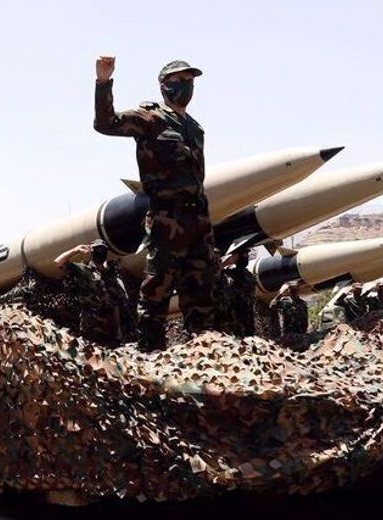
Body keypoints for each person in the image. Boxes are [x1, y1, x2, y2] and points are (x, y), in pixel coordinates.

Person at [94, 54, 214, 351]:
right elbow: (106, 123)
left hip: (198, 222)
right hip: (165, 221)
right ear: (165, 86)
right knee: (156, 297)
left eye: (191, 81)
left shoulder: (195, 128)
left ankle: (205, 358)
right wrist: (103, 81)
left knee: (201, 297)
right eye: (181, 81)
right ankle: (150, 358)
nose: (188, 86)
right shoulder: (150, 118)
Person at [54, 240, 124, 347]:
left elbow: (115, 304)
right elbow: (58, 262)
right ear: (91, 251)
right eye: (97, 249)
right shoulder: (83, 270)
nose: (100, 252)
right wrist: (76, 250)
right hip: (91, 325)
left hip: (109, 327)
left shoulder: (110, 275)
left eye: (103, 250)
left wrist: (118, 329)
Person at [225, 250, 257, 337]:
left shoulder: (233, 273)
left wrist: (227, 262)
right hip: (248, 315)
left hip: (236, 314)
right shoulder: (250, 275)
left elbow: (216, 270)